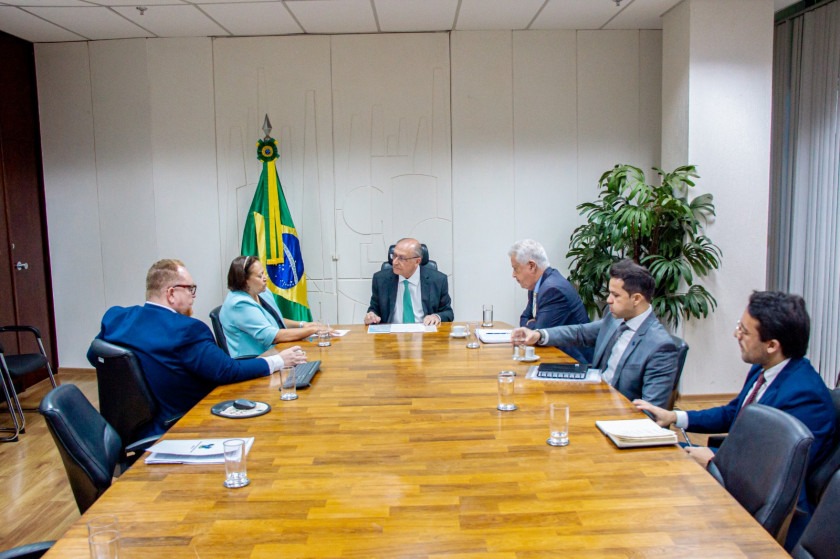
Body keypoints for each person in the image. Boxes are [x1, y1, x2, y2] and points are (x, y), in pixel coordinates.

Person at [634, 291, 836, 547]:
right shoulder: (765, 368)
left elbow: (778, 469)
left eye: (744, 330)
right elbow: (734, 413)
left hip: (767, 511)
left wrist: (714, 461)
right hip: (736, 472)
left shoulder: (805, 396)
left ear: (772, 345)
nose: (735, 334)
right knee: (650, 454)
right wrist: (675, 416)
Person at [87, 259, 307, 437]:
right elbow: (227, 371)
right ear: (171, 293)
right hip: (186, 424)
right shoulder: (186, 330)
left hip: (132, 428)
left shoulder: (116, 318)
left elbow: (95, 356)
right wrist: (280, 360)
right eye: (190, 289)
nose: (194, 296)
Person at [511, 259, 678, 408]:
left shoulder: (660, 346)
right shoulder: (616, 319)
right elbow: (580, 332)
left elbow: (651, 413)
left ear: (636, 299)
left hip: (616, 415)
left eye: (616, 295)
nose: (609, 300)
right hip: (595, 395)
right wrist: (539, 335)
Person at [220, 255, 325, 358]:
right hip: (256, 361)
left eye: (264, 273)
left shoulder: (262, 293)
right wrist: (313, 330)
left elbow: (275, 320)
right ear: (244, 280)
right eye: (260, 276)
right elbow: (272, 336)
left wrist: (302, 325)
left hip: (276, 353)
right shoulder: (239, 304)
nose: (265, 278)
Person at [508, 239, 592, 364]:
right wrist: (532, 323)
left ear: (531, 266)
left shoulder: (552, 289)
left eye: (516, 269)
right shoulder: (536, 286)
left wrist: (533, 324)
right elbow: (524, 318)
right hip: (554, 356)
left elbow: (538, 335)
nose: (513, 275)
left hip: (573, 363)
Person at [364, 238, 453, 326]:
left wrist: (436, 317)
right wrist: (371, 316)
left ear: (417, 261)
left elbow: (448, 312)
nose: (394, 262)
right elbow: (374, 309)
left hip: (425, 331)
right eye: (394, 256)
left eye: (401, 258)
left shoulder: (438, 280)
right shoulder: (380, 279)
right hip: (392, 333)